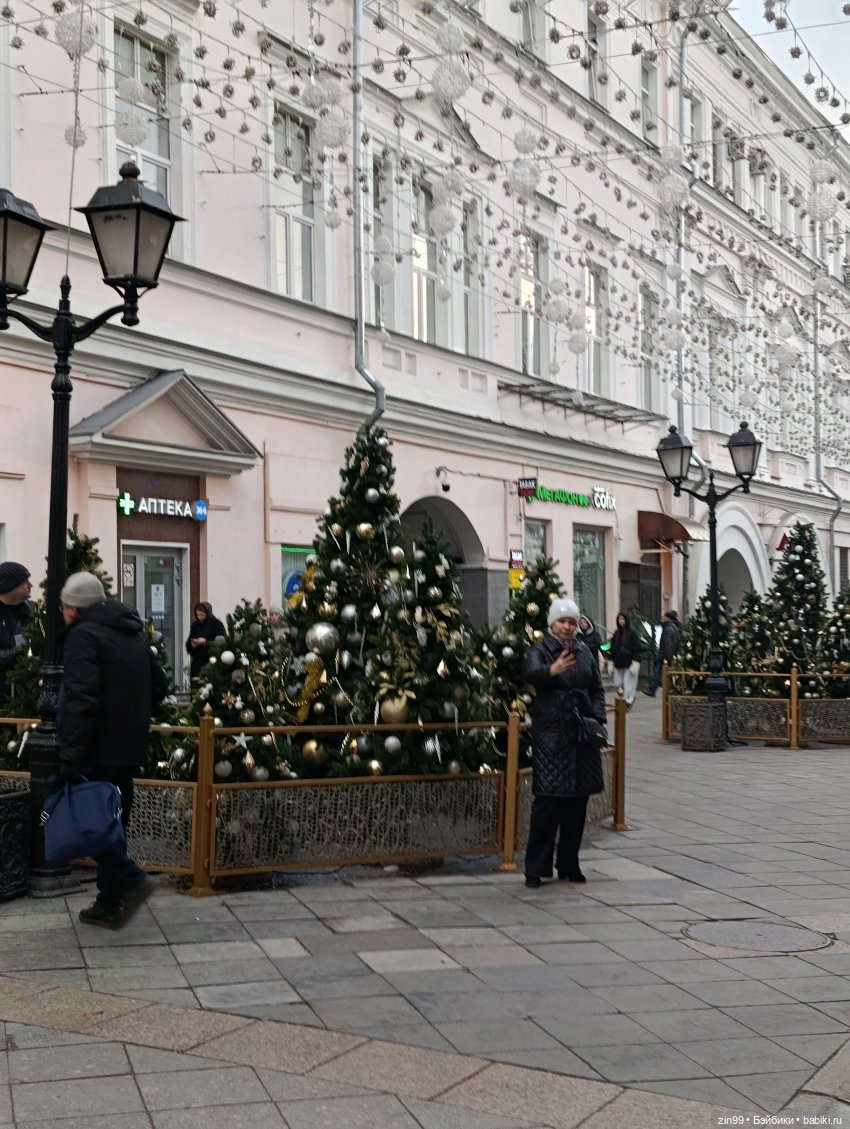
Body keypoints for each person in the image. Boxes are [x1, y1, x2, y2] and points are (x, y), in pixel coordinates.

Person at [58, 571, 168, 930]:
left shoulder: (83, 635)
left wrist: (71, 755)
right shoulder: (132, 631)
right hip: (129, 747)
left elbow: (81, 699)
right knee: (113, 824)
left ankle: (132, 880)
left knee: (89, 824)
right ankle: (108, 902)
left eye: (63, 607)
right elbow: (159, 684)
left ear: (74, 608)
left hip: (96, 749)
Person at [523, 597, 607, 889]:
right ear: (552, 623)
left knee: (577, 804)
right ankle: (536, 868)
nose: (567, 626)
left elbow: (596, 687)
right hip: (552, 735)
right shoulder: (540, 649)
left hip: (581, 736)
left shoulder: (584, 651)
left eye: (571, 621)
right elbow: (530, 673)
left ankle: (569, 864)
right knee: (547, 804)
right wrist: (551, 671)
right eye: (562, 621)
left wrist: (596, 715)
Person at [0, 561, 34, 706]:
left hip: (27, 698)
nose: (30, 585)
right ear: (9, 585)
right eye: (24, 582)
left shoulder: (33, 612)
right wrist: (21, 651)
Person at [644, 610, 682, 697]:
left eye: (664, 617)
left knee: (658, 674)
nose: (662, 618)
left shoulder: (668, 629)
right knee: (660, 674)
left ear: (668, 618)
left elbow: (669, 644)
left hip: (664, 656)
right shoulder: (671, 627)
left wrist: (668, 658)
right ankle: (654, 689)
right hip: (665, 656)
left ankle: (652, 690)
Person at [609, 611, 643, 707]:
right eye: (619, 619)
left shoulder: (632, 633)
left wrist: (636, 661)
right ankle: (622, 699)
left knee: (629, 683)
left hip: (629, 662)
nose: (621, 621)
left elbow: (637, 648)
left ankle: (628, 700)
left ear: (627, 620)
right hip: (618, 662)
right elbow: (612, 648)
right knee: (618, 683)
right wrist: (611, 660)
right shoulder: (617, 633)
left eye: (623, 619)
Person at [185, 601, 226, 678]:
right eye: (197, 615)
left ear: (207, 613)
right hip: (198, 661)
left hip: (212, 661)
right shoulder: (195, 626)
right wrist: (193, 645)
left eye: (202, 615)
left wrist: (205, 642)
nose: (199, 617)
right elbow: (189, 643)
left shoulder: (217, 624)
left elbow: (221, 642)